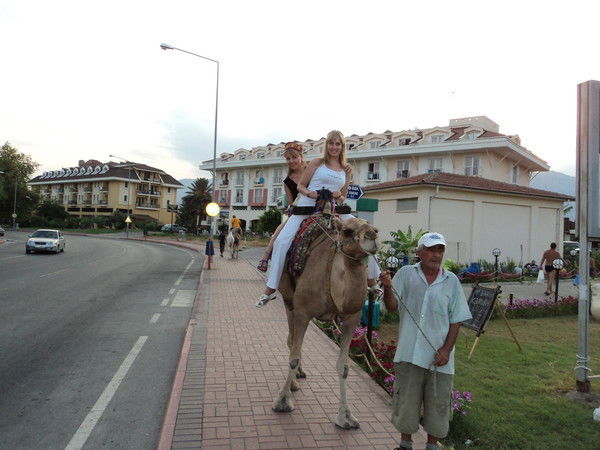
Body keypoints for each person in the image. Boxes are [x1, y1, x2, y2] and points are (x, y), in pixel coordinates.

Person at [255, 130, 380, 307]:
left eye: (337, 144)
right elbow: (300, 186)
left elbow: (343, 197)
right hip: (307, 206)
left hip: (332, 207)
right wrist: (311, 193)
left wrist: (338, 195)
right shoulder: (317, 163)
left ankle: (373, 279)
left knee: (366, 230)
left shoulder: (346, 168)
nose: (334, 147)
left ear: (342, 146)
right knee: (282, 241)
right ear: (326, 145)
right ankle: (270, 288)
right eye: (331, 143)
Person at [379, 232, 472, 450]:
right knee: (406, 403)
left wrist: (446, 350)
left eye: (440, 250)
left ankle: (432, 446)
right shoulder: (405, 274)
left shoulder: (451, 281)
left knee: (438, 405)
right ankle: (405, 444)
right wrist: (388, 287)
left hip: (440, 359)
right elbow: (392, 308)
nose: (436, 254)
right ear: (419, 253)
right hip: (409, 354)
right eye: (430, 249)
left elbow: (456, 320)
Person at [256, 142, 307, 272]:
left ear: (301, 156)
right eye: (288, 159)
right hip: (299, 212)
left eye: (294, 157)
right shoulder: (287, 182)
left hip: (317, 208)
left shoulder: (311, 171)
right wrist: (290, 210)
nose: (291, 161)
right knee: (281, 235)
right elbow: (291, 203)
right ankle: (266, 256)